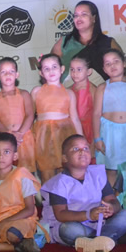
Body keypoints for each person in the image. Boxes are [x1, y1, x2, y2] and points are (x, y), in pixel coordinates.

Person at [40, 134, 126, 252]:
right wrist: (88, 215)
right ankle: (110, 238)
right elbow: (61, 214)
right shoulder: (58, 183)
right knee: (68, 229)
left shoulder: (98, 174)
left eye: (85, 148)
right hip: (74, 225)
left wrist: (111, 208)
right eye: (75, 149)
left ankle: (97, 241)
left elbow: (112, 200)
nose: (82, 151)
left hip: (98, 225)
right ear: (64, 158)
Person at [31, 54, 83, 184]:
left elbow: (75, 118)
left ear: (62, 69)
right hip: (43, 137)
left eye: (54, 67)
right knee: (46, 172)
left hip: (64, 134)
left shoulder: (69, 93)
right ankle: (48, 197)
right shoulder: (36, 91)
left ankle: (64, 196)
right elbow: (30, 117)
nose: (51, 71)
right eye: (46, 68)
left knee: (64, 172)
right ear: (41, 73)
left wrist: (81, 140)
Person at [50, 0, 124, 82]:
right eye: (76, 15)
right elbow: (50, 70)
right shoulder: (64, 42)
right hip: (68, 89)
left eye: (84, 14)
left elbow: (122, 75)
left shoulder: (108, 43)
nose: (79, 18)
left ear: (94, 18)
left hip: (103, 89)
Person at [93, 49, 126, 186]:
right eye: (108, 63)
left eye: (116, 61)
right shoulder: (102, 88)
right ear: (104, 69)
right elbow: (96, 114)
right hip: (110, 134)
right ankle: (111, 197)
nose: (112, 65)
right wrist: (97, 138)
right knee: (111, 170)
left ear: (124, 64)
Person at [0, 57, 36, 173]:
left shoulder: (24, 94)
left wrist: (19, 134)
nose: (8, 74)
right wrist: (10, 134)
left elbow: (30, 115)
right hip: (6, 140)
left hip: (24, 138)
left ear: (17, 74)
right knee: (7, 173)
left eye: (11, 71)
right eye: (3, 72)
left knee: (26, 173)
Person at [69, 54, 97, 152]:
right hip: (72, 129)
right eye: (72, 69)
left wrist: (95, 138)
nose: (75, 73)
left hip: (90, 131)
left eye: (79, 69)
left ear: (89, 71)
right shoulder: (68, 90)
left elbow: (98, 114)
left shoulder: (94, 90)